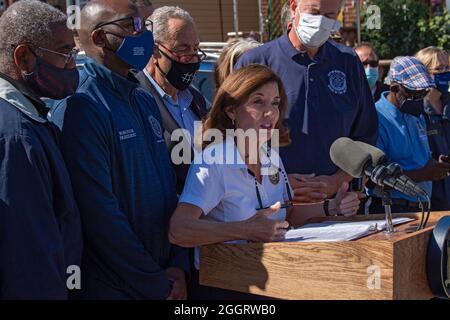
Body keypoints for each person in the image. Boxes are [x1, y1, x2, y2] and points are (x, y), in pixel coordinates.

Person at [169, 65, 360, 299]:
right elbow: (179, 231)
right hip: (224, 289)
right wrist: (245, 230)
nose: (270, 113)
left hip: (274, 282)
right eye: (258, 102)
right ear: (231, 110)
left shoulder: (271, 157)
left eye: (276, 103)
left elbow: (286, 216)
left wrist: (332, 207)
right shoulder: (213, 162)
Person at [49, 0, 188, 300]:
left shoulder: (143, 99)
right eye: (131, 25)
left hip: (163, 276)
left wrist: (178, 264)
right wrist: (153, 281)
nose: (143, 34)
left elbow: (167, 190)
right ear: (99, 38)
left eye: (144, 26)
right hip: (117, 287)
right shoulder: (82, 107)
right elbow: (99, 215)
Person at [235, 0, 378, 205]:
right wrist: (277, 181)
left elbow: (365, 135)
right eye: (314, 12)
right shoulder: (256, 62)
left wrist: (337, 181)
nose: (321, 22)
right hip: (273, 206)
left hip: (337, 204)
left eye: (329, 16)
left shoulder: (348, 61)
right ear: (294, 8)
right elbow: (236, 137)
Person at [0, 0, 82, 299]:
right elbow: (28, 254)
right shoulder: (17, 134)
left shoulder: (29, 118)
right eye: (64, 52)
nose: (73, 64)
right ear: (23, 57)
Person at [132, 6, 208, 193]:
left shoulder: (195, 99)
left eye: (196, 48)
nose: (192, 58)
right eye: (183, 49)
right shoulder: (134, 99)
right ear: (154, 50)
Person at [368, 56, 450, 214]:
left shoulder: (415, 114)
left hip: (424, 206)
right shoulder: (377, 119)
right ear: (394, 88)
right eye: (413, 92)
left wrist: (436, 166)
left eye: (424, 92)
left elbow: (418, 159)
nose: (420, 97)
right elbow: (373, 179)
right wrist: (423, 174)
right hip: (392, 210)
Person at [416, 47, 450, 210]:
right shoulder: (416, 111)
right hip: (431, 199)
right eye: (439, 69)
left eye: (448, 68)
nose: (445, 72)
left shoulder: (448, 105)